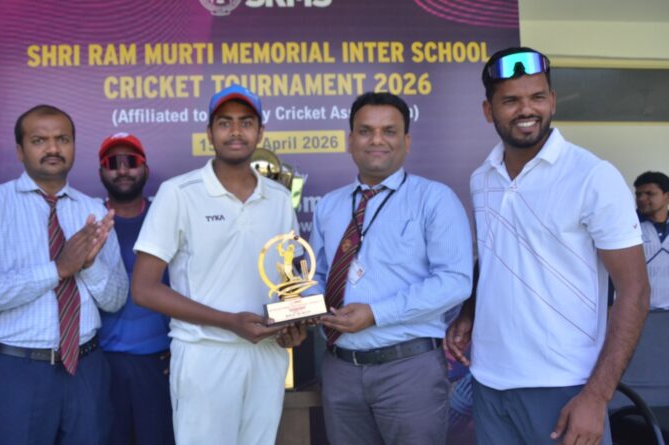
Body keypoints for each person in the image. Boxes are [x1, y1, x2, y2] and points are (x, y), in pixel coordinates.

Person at [446, 47, 650, 445]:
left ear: (553, 101)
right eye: (511, 100)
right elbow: (494, 256)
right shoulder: (482, 178)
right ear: (488, 110)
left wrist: (597, 396)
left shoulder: (593, 176)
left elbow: (636, 291)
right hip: (488, 382)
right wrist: (469, 311)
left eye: (537, 97)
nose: (527, 109)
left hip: (565, 386)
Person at [131, 84, 306, 445]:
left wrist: (294, 324)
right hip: (204, 354)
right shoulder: (179, 192)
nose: (236, 131)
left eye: (246, 122)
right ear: (209, 134)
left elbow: (288, 282)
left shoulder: (278, 197)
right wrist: (229, 322)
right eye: (225, 123)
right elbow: (144, 289)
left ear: (260, 132)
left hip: (267, 354)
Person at [0, 105, 128, 444]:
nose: (53, 148)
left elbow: (116, 299)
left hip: (86, 369)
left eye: (62, 139)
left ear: (74, 146)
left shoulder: (93, 210)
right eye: (39, 140)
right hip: (15, 372)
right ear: (20, 150)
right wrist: (57, 270)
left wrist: (88, 266)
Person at [309, 91, 473, 445]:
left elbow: (455, 281)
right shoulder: (329, 206)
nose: (377, 140)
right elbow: (316, 276)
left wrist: (376, 313)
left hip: (408, 370)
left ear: (407, 141)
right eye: (365, 131)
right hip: (340, 369)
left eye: (389, 131)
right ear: (350, 140)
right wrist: (302, 308)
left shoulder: (434, 199)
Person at [96, 132, 174, 444]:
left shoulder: (166, 218)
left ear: (146, 168)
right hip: (102, 364)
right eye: (113, 163)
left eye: (131, 161)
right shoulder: (89, 220)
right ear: (101, 172)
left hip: (160, 364)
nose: (123, 170)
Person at [634, 171, 669, 309]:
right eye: (638, 194)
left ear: (667, 196)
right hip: (640, 311)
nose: (642, 199)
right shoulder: (628, 227)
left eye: (649, 193)